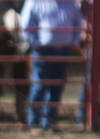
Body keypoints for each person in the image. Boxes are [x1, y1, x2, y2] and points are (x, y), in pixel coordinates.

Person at [20, 0, 84, 130]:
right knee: (39, 85)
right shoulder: (35, 2)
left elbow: (79, 24)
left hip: (64, 50)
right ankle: (33, 121)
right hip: (43, 50)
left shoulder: (71, 3)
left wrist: (74, 41)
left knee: (57, 86)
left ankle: (49, 121)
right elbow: (25, 26)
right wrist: (36, 43)